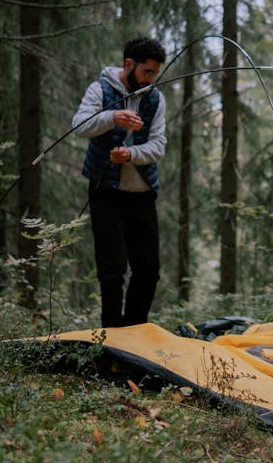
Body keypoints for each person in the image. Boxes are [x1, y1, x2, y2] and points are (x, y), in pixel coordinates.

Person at [73, 37, 167, 328]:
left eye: (154, 73)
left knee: (148, 269)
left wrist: (131, 154)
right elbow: (79, 125)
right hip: (106, 192)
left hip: (142, 195)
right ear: (129, 64)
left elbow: (159, 145)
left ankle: (135, 331)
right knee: (112, 269)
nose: (151, 79)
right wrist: (113, 116)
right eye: (147, 72)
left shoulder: (155, 98)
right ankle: (112, 336)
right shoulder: (99, 89)